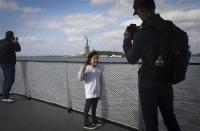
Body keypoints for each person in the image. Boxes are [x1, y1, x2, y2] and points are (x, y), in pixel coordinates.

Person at [123, 0, 182, 131]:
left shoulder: (142, 33)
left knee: (151, 124)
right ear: (154, 6)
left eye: (137, 11)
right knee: (170, 119)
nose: (137, 14)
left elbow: (131, 58)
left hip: (148, 85)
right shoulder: (169, 27)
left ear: (141, 9)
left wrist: (127, 41)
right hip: (166, 82)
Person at [78, 51, 103, 130]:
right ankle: (86, 123)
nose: (96, 60)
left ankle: (94, 120)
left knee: (94, 108)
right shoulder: (87, 69)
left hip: (97, 93)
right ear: (89, 60)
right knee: (87, 108)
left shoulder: (99, 70)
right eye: (94, 58)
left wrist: (100, 93)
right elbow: (80, 78)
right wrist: (82, 69)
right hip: (89, 93)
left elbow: (100, 82)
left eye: (97, 58)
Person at [0, 31, 21, 102]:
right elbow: (18, 49)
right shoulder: (11, 43)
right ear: (12, 36)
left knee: (6, 80)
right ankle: (5, 98)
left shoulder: (1, 41)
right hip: (9, 64)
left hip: (2, 64)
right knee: (10, 80)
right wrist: (16, 41)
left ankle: (5, 95)